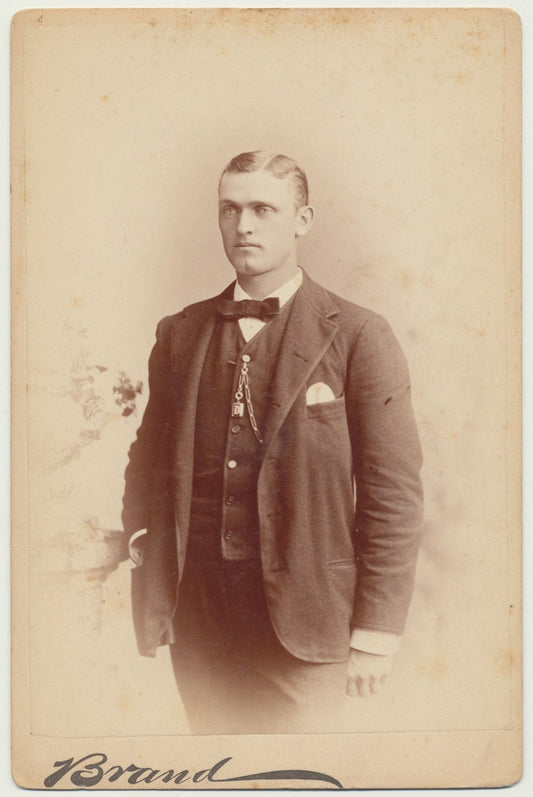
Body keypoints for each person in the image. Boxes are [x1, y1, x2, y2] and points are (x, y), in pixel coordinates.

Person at [121, 151, 423, 734]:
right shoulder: (179, 332)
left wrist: (376, 633)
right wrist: (142, 536)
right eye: (230, 210)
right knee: (216, 767)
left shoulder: (360, 334)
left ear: (302, 220)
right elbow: (148, 454)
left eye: (263, 209)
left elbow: (393, 495)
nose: (244, 226)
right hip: (200, 619)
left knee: (301, 771)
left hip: (309, 619)